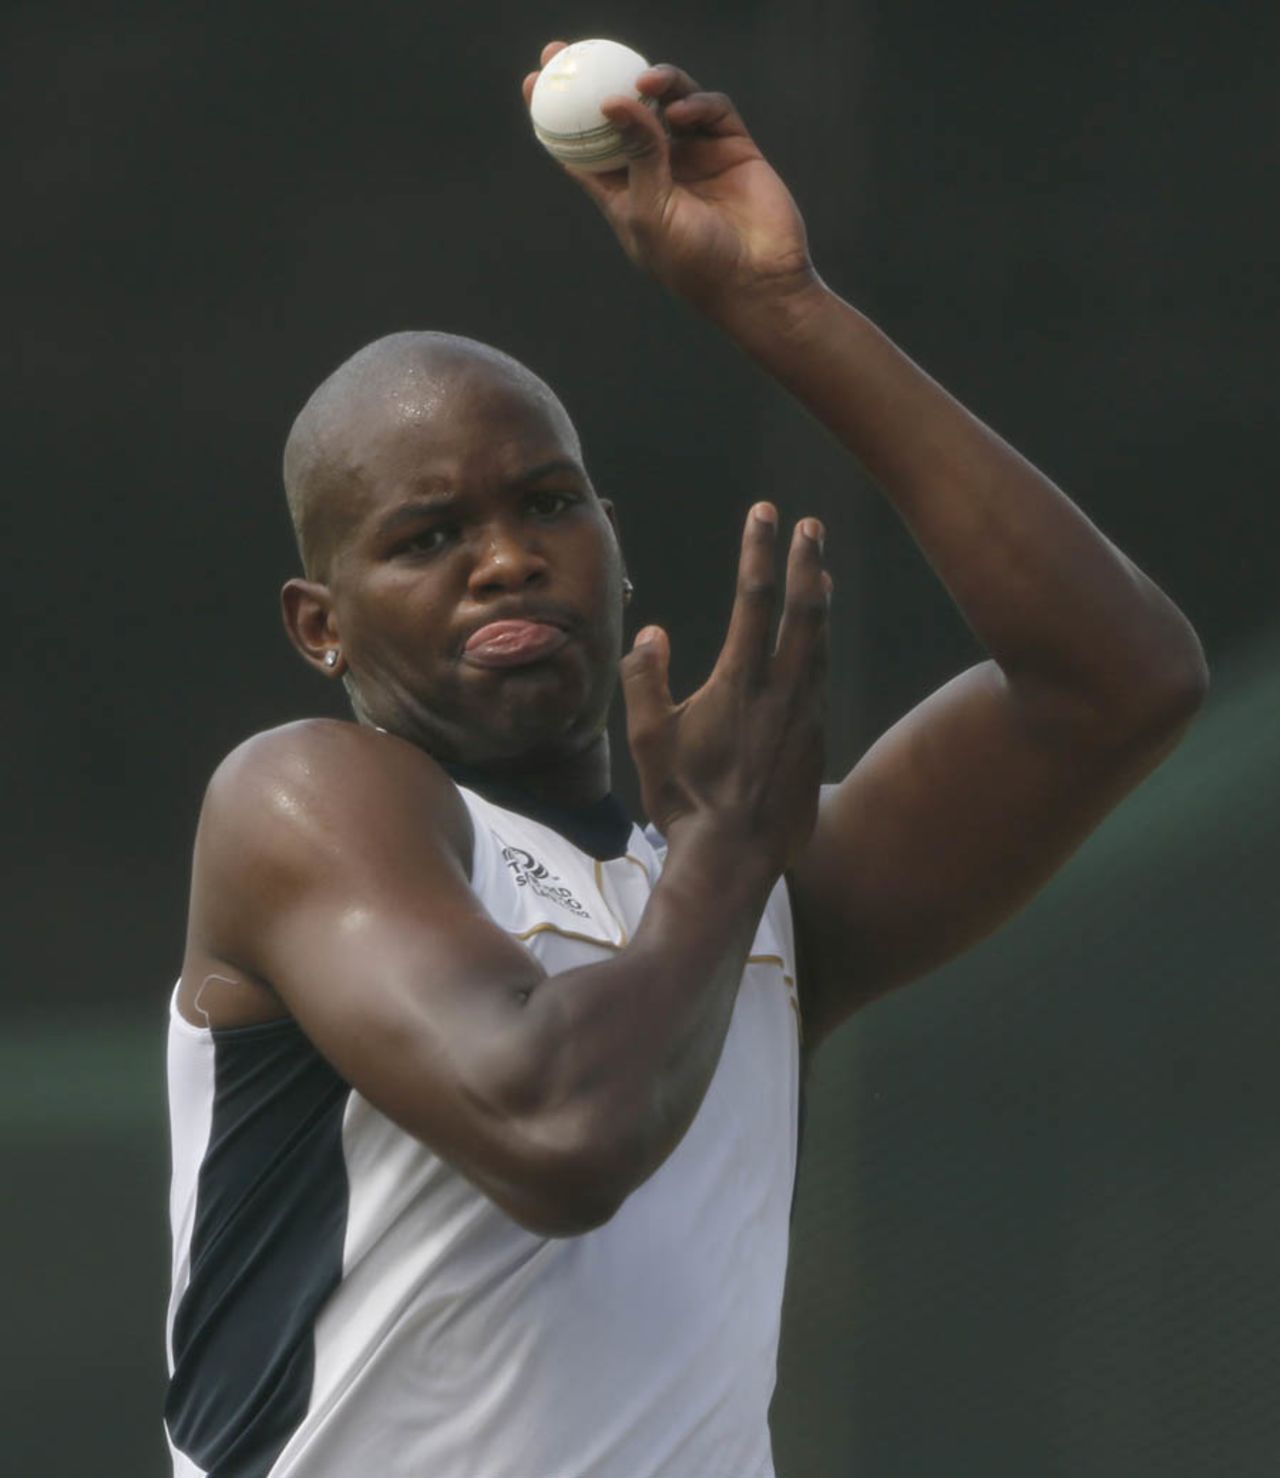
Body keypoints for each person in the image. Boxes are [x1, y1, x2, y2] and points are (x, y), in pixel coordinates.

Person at [163, 41, 1207, 1478]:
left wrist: (782, 308)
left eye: (548, 502)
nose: (508, 558)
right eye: (428, 536)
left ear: (614, 536)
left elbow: (1123, 678)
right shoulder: (309, 800)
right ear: (320, 626)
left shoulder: (756, 875)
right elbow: (560, 1129)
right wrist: (720, 857)